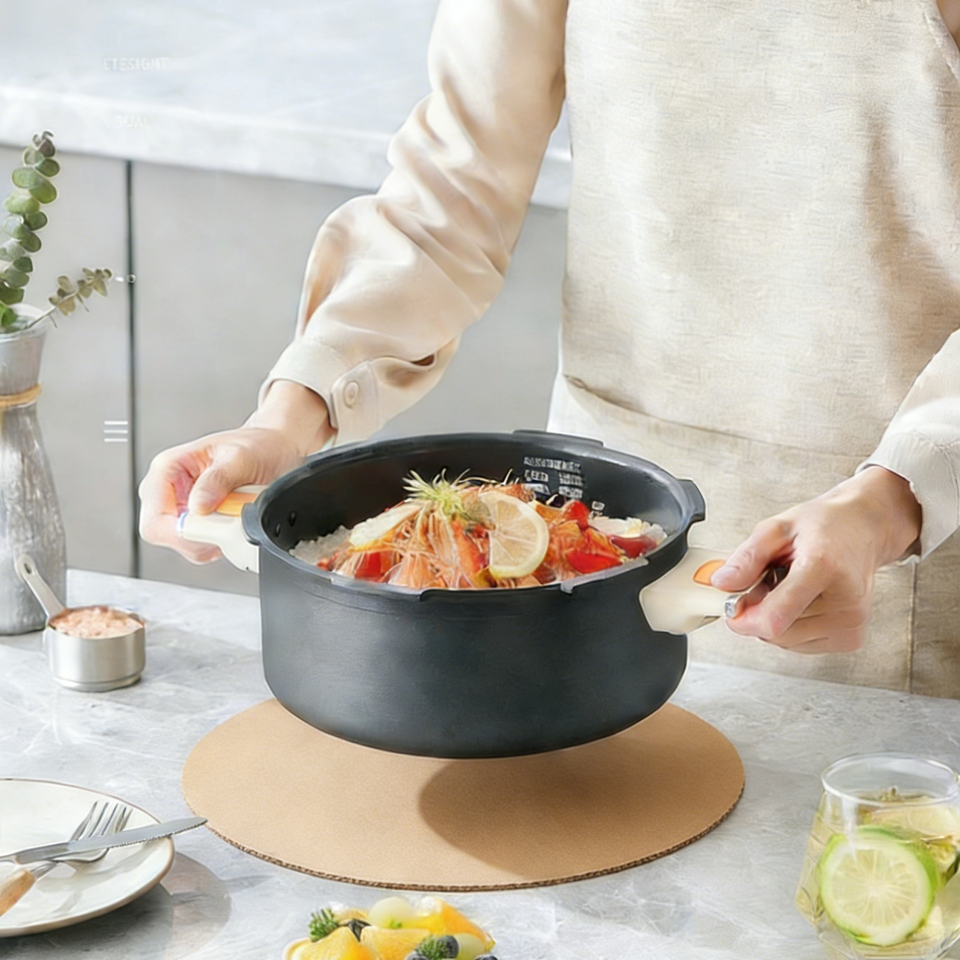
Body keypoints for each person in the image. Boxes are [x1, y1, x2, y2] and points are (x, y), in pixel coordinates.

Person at [140, 0, 960, 695]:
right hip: (587, 545)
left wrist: (888, 504)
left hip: (896, 543)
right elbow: (454, 187)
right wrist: (290, 414)